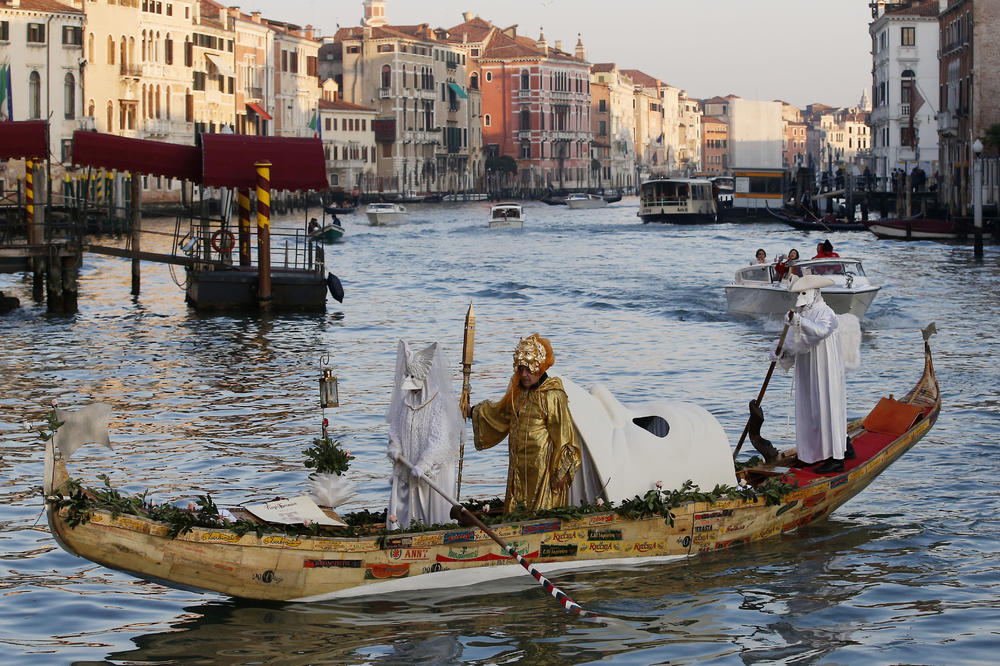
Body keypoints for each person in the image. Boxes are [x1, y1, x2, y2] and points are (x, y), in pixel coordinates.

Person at [463, 334, 580, 513]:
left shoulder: (553, 395)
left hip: (543, 474)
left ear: (539, 366)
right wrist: (471, 411)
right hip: (519, 469)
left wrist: (562, 473)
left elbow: (564, 436)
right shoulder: (519, 392)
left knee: (540, 513)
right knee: (517, 510)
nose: (523, 374)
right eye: (520, 369)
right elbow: (500, 415)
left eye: (528, 369)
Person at [772, 276, 851, 474]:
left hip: (826, 366)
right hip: (808, 366)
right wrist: (780, 350)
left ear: (815, 293)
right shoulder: (801, 312)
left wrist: (799, 321)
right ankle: (812, 453)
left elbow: (821, 331)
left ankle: (836, 457)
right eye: (799, 293)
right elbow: (795, 339)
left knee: (827, 405)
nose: (800, 297)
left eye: (804, 293)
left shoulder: (826, 312)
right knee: (810, 407)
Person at [385, 340, 463, 529]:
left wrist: (424, 464)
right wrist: (395, 447)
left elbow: (440, 440)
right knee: (405, 511)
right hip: (408, 468)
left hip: (432, 473)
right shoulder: (405, 403)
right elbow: (396, 428)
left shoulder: (439, 404)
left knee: (431, 511)